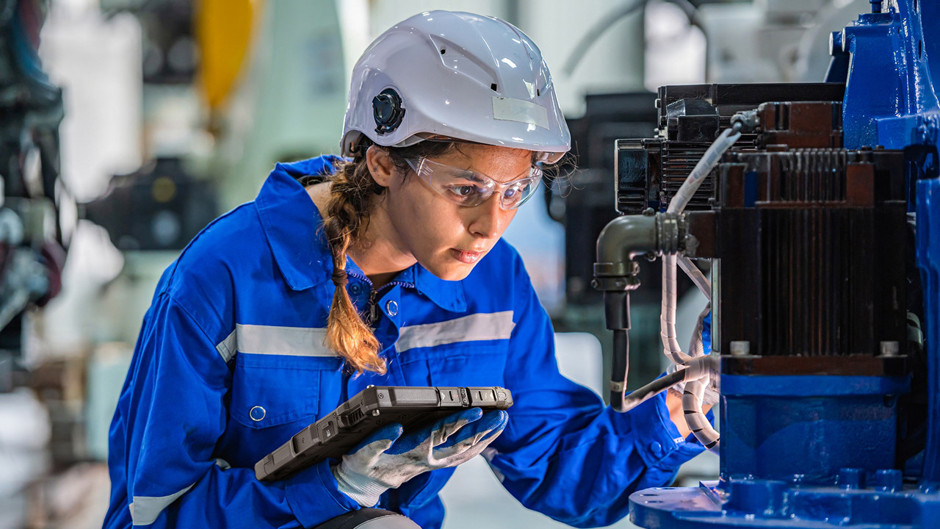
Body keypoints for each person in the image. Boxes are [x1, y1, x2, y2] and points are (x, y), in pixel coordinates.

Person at [103, 10, 707, 529]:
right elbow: (152, 514)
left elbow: (562, 467)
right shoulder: (225, 277)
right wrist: (333, 490)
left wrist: (680, 413)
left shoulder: (493, 283)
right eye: (467, 188)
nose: (491, 226)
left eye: (514, 190)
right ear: (385, 163)